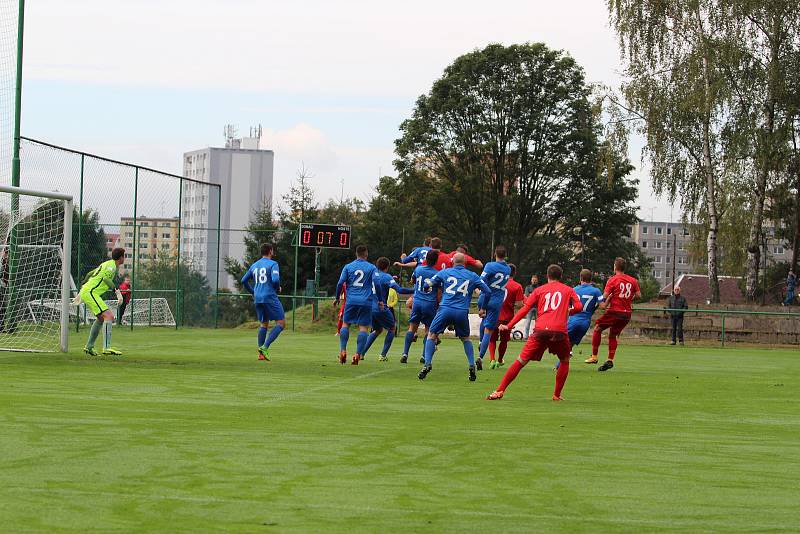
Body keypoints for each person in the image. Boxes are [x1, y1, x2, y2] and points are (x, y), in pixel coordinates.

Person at [487, 264, 582, 401]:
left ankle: (499, 390)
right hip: (560, 332)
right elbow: (579, 306)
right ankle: (556, 395)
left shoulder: (539, 290)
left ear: (547, 276)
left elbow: (524, 310)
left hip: (541, 330)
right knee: (564, 361)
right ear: (561, 277)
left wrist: (509, 326)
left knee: (521, 361)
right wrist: (569, 311)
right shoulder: (568, 290)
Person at [418, 253, 491, 382]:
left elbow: (427, 284)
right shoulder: (473, 276)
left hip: (445, 309)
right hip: (462, 311)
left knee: (432, 335)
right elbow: (488, 292)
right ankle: (471, 364)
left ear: (452, 262)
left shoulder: (444, 272)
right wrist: (483, 308)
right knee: (465, 339)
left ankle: (427, 363)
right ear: (465, 263)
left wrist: (432, 286)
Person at [587, 257, 641, 371]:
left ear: (615, 267)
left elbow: (604, 296)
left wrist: (603, 302)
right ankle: (610, 360)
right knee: (613, 335)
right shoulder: (633, 280)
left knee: (597, 328)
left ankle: (594, 356)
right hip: (626, 314)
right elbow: (639, 295)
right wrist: (628, 300)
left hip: (615, 311)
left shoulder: (612, 280)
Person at [361, 257, 413, 362]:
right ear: (387, 267)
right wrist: (415, 290)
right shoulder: (386, 277)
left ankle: (361, 353)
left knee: (377, 330)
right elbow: (400, 290)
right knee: (392, 328)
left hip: (370, 307)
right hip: (381, 307)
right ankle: (383, 355)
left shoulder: (371, 276)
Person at [77, 248, 125, 356]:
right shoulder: (112, 267)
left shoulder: (106, 263)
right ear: (121, 257)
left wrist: (84, 283)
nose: (124, 258)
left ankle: (89, 346)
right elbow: (105, 279)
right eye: (124, 256)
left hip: (88, 291)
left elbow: (90, 273)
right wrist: (117, 293)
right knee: (109, 316)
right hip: (90, 292)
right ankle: (107, 348)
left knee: (100, 318)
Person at [334, 245, 378, 365]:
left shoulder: (348, 267)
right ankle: (357, 354)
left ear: (356, 254)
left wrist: (337, 297)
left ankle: (343, 351)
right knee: (363, 328)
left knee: (345, 324)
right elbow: (377, 283)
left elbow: (340, 283)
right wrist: (380, 299)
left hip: (351, 300)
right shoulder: (372, 267)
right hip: (366, 301)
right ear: (366, 254)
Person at [241, 243, 285, 361]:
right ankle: (265, 347)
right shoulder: (273, 264)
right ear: (270, 251)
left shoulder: (255, 265)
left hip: (258, 298)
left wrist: (253, 292)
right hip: (269, 296)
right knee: (281, 323)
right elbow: (275, 279)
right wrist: (277, 288)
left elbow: (243, 280)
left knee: (264, 324)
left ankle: (261, 354)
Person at [401, 250, 441, 364]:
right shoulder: (437, 274)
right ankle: (424, 356)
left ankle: (405, 353)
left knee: (412, 328)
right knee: (429, 331)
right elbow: (438, 292)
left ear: (426, 259)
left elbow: (412, 280)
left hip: (417, 302)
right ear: (436, 261)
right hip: (429, 303)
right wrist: (438, 305)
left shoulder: (418, 269)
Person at [476, 245, 511, 370]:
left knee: (483, 319)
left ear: (495, 254)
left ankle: (480, 342)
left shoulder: (490, 265)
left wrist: (477, 289)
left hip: (485, 297)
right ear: (505, 255)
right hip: (496, 301)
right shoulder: (508, 269)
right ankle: (480, 357)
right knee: (489, 331)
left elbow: (481, 280)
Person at [488, 263, 525, 368]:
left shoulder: (495, 283)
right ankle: (500, 360)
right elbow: (519, 305)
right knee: (504, 340)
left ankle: (492, 359)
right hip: (507, 318)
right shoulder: (517, 286)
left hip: (494, 314)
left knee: (492, 339)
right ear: (515, 273)